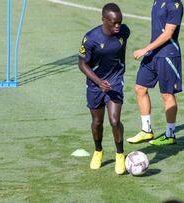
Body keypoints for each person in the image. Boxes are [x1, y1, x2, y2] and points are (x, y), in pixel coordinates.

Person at [78, 3, 130, 175]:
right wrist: (99, 82)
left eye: (120, 22)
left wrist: (121, 71)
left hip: (115, 80)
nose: (118, 26)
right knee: (97, 122)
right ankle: (98, 151)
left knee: (114, 120)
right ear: (104, 20)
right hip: (95, 83)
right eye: (114, 23)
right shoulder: (91, 39)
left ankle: (120, 155)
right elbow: (82, 64)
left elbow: (121, 51)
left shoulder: (124, 32)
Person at [127, 0, 184, 145]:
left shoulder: (175, 5)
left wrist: (145, 49)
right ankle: (146, 131)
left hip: (168, 55)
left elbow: (168, 34)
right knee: (140, 88)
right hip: (153, 54)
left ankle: (170, 134)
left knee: (167, 94)